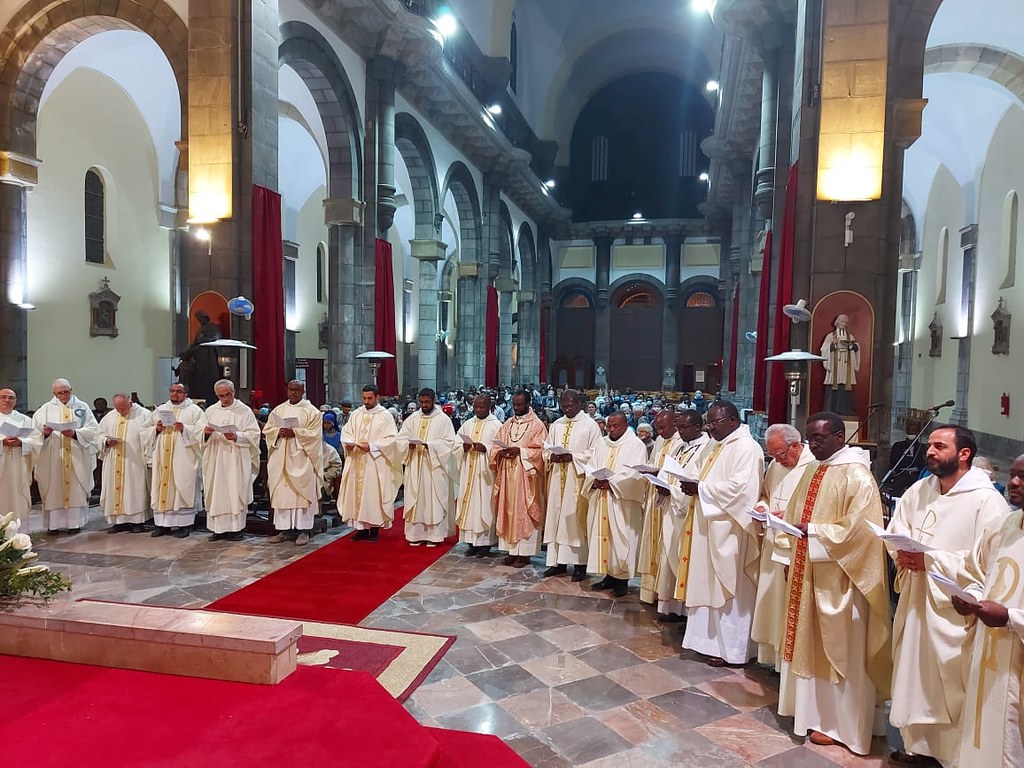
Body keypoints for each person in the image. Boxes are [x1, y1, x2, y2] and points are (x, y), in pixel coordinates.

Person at [886, 425, 1007, 766]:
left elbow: (989, 563)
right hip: (914, 599)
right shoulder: (921, 488)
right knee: (913, 675)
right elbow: (898, 529)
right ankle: (918, 747)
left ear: (963, 454)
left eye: (940, 446)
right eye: (930, 445)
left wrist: (930, 560)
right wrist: (903, 554)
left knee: (949, 685)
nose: (930, 451)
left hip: (951, 609)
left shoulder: (988, 502)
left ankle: (950, 755)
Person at [775, 411, 891, 755]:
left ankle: (843, 726)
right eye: (810, 438)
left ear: (841, 436)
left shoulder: (858, 476)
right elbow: (797, 517)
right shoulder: (811, 469)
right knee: (808, 646)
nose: (813, 444)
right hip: (808, 574)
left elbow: (862, 532)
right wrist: (788, 535)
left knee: (842, 652)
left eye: (820, 438)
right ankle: (813, 716)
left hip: (842, 581)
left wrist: (814, 532)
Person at [678, 400, 763, 666]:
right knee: (706, 584)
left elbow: (741, 490)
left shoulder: (747, 449)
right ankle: (705, 642)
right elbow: (697, 473)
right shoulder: (717, 446)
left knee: (729, 590)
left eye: (715, 422)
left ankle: (732, 651)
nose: (710, 427)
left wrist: (701, 488)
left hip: (729, 531)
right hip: (708, 526)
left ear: (733, 421)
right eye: (710, 422)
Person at [953, 453, 1024, 766]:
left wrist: (1009, 618)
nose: (1014, 483)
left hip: (1017, 658)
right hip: (988, 654)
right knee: (982, 732)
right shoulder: (1006, 525)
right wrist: (970, 596)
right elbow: (977, 571)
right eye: (1014, 474)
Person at [750, 423, 815, 669]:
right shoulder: (776, 466)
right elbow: (766, 495)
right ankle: (773, 659)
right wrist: (762, 508)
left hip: (794, 548)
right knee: (773, 606)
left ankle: (787, 663)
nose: (777, 460)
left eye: (781, 454)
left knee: (789, 608)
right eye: (773, 455)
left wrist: (790, 513)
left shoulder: (813, 467)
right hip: (772, 543)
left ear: (796, 445)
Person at [582, 411, 648, 597]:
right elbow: (592, 466)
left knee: (621, 539)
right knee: (605, 538)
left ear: (625, 425)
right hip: (602, 497)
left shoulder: (636, 445)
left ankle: (622, 580)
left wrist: (612, 482)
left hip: (622, 502)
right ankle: (608, 576)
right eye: (609, 426)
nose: (611, 429)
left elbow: (636, 474)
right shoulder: (602, 443)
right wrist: (594, 480)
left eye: (615, 426)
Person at [542, 389, 602, 581]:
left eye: (570, 406)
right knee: (556, 520)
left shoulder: (590, 426)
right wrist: (551, 456)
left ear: (579, 404)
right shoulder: (557, 425)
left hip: (576, 482)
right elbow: (546, 448)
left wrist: (572, 457)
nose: (566, 410)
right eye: (563, 406)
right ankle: (556, 563)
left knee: (575, 522)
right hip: (557, 477)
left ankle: (579, 565)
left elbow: (596, 452)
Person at [34, 378, 102, 534]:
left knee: (75, 490)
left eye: (66, 391)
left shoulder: (82, 407)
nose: (63, 395)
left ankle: (74, 524)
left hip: (76, 457)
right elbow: (34, 433)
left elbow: (93, 429)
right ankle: (53, 526)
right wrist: (44, 434)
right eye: (60, 392)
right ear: (54, 393)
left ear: (71, 390)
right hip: (53, 457)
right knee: (53, 489)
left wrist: (76, 433)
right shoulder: (45, 409)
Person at [659, 409, 709, 620]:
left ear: (698, 427)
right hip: (671, 508)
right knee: (670, 555)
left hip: (686, 509)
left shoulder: (705, 449)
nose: (679, 432)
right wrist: (661, 484)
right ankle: (673, 607)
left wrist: (675, 491)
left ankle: (688, 611)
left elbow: (696, 479)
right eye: (678, 428)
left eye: (683, 428)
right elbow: (668, 470)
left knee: (684, 558)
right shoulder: (680, 446)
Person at [490, 389, 547, 568]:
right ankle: (511, 551)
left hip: (526, 477)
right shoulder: (507, 423)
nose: (516, 408)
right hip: (508, 474)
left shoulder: (537, 425)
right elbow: (495, 444)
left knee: (525, 513)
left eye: (520, 404)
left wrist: (520, 452)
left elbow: (541, 451)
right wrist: (501, 451)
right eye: (514, 404)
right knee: (508, 511)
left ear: (528, 403)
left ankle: (525, 553)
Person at [338, 384, 402, 540]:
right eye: (364, 398)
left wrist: (372, 446)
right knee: (356, 495)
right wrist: (349, 443)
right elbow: (346, 433)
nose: (366, 401)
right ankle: (360, 529)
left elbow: (392, 439)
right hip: (356, 460)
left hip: (375, 462)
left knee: (372, 495)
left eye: (369, 398)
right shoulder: (356, 414)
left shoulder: (385, 415)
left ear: (377, 397)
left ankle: (374, 529)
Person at [397, 388, 460, 546]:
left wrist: (430, 446)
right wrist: (408, 446)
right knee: (416, 499)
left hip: (434, 468)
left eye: (427, 402)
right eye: (421, 402)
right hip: (415, 465)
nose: (424, 405)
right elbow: (401, 439)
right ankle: (416, 535)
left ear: (433, 400)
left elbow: (449, 443)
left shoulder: (443, 420)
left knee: (434, 502)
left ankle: (434, 536)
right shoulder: (412, 419)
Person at [264, 380, 324, 546]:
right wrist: (278, 431)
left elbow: (315, 436)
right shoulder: (279, 409)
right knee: (283, 494)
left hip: (301, 459)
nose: (293, 393)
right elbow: (268, 430)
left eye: (297, 390)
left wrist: (295, 433)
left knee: (301, 496)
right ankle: (284, 530)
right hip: (281, 459)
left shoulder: (311, 412)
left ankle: (303, 531)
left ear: (303, 391)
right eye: (290, 390)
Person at [202, 379, 260, 541]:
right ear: (216, 395)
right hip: (216, 458)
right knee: (217, 492)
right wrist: (205, 433)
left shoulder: (245, 411)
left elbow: (254, 434)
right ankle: (217, 529)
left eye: (228, 395)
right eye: (221, 396)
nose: (225, 398)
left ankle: (236, 529)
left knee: (235, 491)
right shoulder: (211, 411)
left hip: (236, 458)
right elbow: (199, 435)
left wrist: (237, 436)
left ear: (233, 392)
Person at [146, 383, 206, 538]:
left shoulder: (195, 411)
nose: (175, 394)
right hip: (162, 456)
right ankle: (162, 525)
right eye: (172, 391)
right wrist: (156, 429)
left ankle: (184, 525)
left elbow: (201, 432)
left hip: (184, 457)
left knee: (182, 488)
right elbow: (144, 431)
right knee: (162, 487)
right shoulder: (160, 410)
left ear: (186, 394)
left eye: (179, 392)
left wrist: (184, 428)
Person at [637, 410, 680, 604]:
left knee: (666, 545)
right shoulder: (661, 441)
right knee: (651, 542)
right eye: (657, 428)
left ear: (675, 422)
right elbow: (654, 462)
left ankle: (664, 596)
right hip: (655, 496)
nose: (660, 432)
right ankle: (649, 592)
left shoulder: (681, 442)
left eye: (663, 427)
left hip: (671, 500)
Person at [97, 393, 152, 533]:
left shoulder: (144, 415)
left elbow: (151, 436)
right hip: (113, 460)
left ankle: (137, 522)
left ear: (130, 403)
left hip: (135, 462)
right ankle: (118, 522)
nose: (120, 412)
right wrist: (107, 442)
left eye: (123, 408)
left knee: (134, 491)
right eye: (118, 409)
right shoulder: (109, 417)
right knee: (115, 490)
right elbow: (98, 435)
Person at [456, 394, 502, 556]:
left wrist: (486, 449)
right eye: (476, 406)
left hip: (485, 474)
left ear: (490, 407)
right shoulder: (468, 424)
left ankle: (485, 543)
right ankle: (471, 543)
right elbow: (456, 444)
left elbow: (501, 448)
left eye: (481, 407)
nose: (478, 409)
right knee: (470, 506)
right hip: (469, 471)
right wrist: (463, 447)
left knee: (484, 506)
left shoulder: (496, 426)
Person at [0, 388, 40, 529]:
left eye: (11, 398)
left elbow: (37, 441)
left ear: (15, 401)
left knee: (18, 498)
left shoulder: (25, 420)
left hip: (19, 465)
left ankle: (20, 533)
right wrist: (2, 442)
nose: (7, 400)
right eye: (3, 397)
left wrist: (22, 442)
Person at [821, 313, 860, 415]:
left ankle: (845, 410)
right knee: (833, 386)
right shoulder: (830, 336)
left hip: (846, 363)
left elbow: (856, 347)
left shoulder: (850, 336)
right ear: (837, 322)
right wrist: (833, 344)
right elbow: (824, 349)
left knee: (845, 387)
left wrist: (852, 346)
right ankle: (831, 409)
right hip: (835, 364)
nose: (844, 323)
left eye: (845, 322)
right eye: (842, 321)